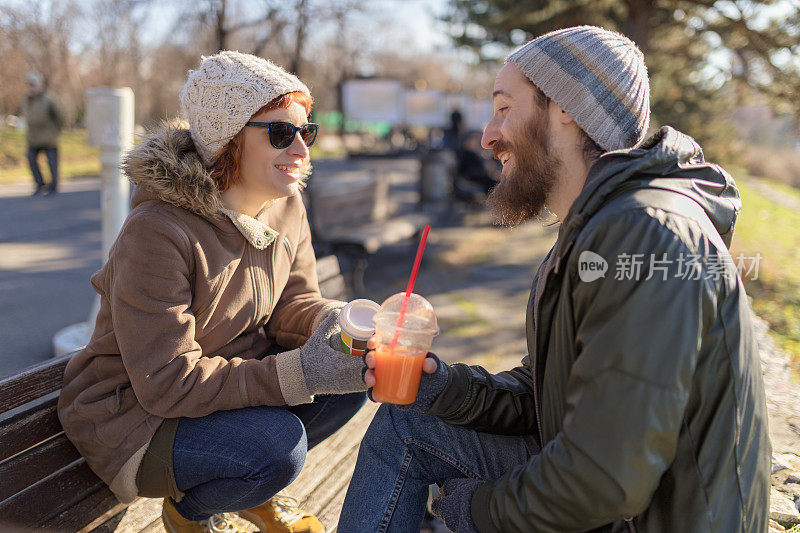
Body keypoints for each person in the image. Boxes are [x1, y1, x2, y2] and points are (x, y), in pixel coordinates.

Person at [338, 26, 771, 532]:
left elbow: (606, 478)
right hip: (628, 504)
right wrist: (446, 388)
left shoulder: (641, 233)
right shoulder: (602, 225)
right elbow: (554, 396)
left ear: (567, 106)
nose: (487, 135)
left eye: (504, 107)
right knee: (408, 422)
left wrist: (481, 510)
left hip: (648, 519)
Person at [58, 51, 367, 533]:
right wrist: (298, 373)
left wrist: (336, 323)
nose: (302, 151)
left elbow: (294, 302)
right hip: (136, 418)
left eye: (306, 132)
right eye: (281, 133)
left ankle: (253, 491)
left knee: (348, 380)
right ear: (228, 139)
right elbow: (166, 381)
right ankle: (192, 510)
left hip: (218, 390)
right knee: (276, 447)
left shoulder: (285, 205)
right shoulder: (157, 232)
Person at [23, 72, 65, 195]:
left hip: (49, 137)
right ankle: (39, 184)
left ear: (40, 85)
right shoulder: (27, 100)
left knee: (52, 162)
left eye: (33, 85)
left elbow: (61, 117)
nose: (31, 88)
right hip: (33, 137)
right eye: (29, 85)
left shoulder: (49, 99)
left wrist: (56, 131)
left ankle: (53, 186)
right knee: (31, 159)